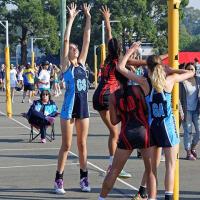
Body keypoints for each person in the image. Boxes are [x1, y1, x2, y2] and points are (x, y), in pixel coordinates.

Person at [117, 42, 195, 200]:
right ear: (162, 66)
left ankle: (150, 196)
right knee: (170, 166)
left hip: (152, 127)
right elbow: (190, 73)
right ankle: (167, 196)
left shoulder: (145, 83)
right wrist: (174, 70)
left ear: (148, 68)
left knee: (152, 168)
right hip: (167, 127)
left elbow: (120, 68)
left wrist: (130, 51)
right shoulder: (170, 80)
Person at [98, 67, 156, 200]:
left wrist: (123, 113)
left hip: (126, 134)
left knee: (114, 171)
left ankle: (101, 198)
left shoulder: (113, 96)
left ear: (117, 79)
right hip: (143, 131)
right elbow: (148, 109)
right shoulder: (139, 89)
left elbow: (113, 121)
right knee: (150, 170)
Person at [54, 3, 91, 194]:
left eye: (76, 49)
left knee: (82, 144)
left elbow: (86, 39)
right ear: (68, 52)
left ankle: (84, 178)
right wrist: (70, 19)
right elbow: (67, 39)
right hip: (68, 109)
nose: (75, 49)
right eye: (72, 49)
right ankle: (58, 179)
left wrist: (88, 17)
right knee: (67, 145)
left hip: (83, 108)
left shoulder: (83, 64)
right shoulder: (65, 66)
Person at [92, 5, 131, 178]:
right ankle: (113, 167)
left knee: (115, 131)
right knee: (116, 132)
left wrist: (107, 19)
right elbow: (110, 38)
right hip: (106, 98)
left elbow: (109, 35)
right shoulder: (118, 61)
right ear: (120, 49)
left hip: (99, 97)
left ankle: (112, 164)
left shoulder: (107, 59)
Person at [180, 63, 200, 160]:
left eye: (192, 69)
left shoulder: (198, 80)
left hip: (196, 109)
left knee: (199, 131)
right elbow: (178, 98)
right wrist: (181, 111)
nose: (190, 71)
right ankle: (188, 153)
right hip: (186, 110)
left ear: (195, 70)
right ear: (185, 70)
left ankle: (193, 147)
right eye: (188, 69)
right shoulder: (181, 81)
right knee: (188, 132)